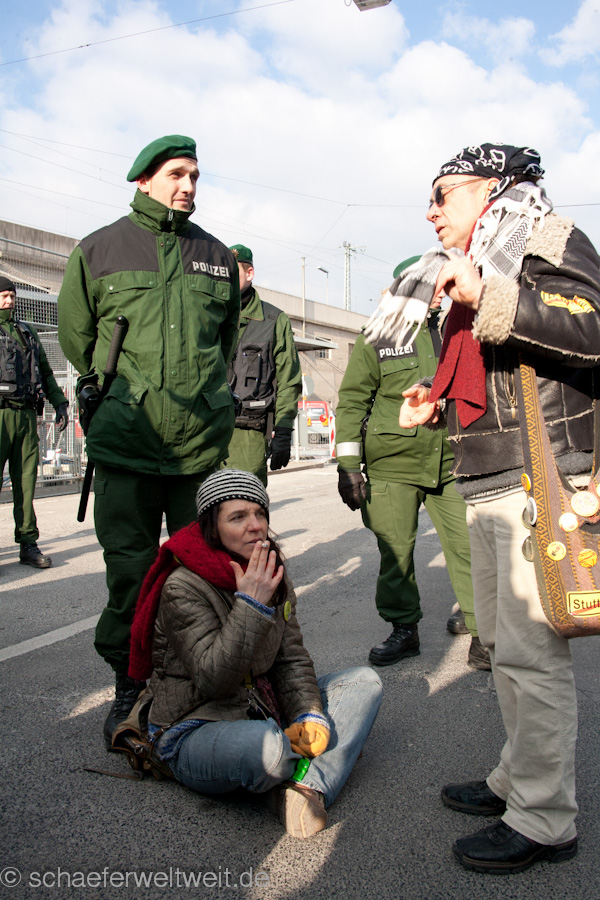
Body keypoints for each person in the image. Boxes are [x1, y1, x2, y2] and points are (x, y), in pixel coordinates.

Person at [397, 143, 600, 872]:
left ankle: (545, 819)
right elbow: (491, 373)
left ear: (489, 188)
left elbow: (591, 330)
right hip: (485, 476)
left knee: (533, 657)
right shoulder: (476, 257)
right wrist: (436, 398)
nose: (431, 210)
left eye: (442, 193)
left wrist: (489, 293)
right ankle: (516, 781)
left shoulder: (548, 238)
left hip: (535, 476)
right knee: (507, 652)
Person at [58, 135, 241, 749]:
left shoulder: (216, 255)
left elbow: (225, 341)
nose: (187, 186)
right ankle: (129, 684)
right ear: (143, 180)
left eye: (195, 176)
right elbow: (78, 338)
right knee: (131, 575)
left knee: (203, 572)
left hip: (197, 447)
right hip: (126, 443)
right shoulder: (98, 250)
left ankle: (199, 680)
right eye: (176, 174)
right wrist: (122, 394)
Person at [127, 468, 383, 838]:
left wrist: (308, 714)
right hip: (196, 725)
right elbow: (214, 681)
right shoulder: (183, 585)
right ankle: (315, 766)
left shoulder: (269, 568)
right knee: (269, 751)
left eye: (260, 513)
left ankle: (303, 790)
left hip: (263, 706)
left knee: (365, 683)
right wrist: (251, 605)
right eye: (238, 517)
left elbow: (291, 657)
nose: (255, 526)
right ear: (212, 526)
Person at [335, 257, 487, 670]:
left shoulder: (459, 328)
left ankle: (482, 632)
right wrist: (348, 465)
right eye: (429, 285)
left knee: (468, 547)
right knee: (396, 552)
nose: (438, 292)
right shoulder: (378, 334)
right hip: (392, 464)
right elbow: (352, 401)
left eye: (440, 285)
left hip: (451, 461)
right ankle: (404, 629)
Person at [0, 276, 69, 568]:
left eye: (12, 296)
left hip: (26, 415)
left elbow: (46, 372)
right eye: (4, 296)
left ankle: (28, 542)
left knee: (26, 482)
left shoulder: (27, 333)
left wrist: (60, 403)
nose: (9, 301)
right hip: (1, 415)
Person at [225, 244, 301, 485]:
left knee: (244, 500)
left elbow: (288, 380)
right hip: (205, 433)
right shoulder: (209, 314)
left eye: (233, 271)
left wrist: (284, 430)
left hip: (248, 435)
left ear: (249, 273)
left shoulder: (273, 320)